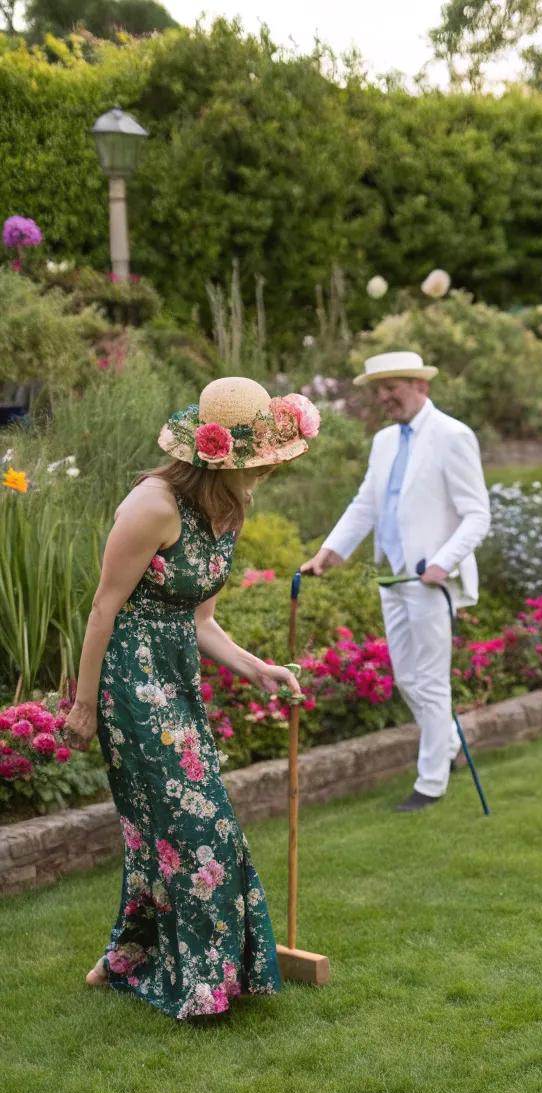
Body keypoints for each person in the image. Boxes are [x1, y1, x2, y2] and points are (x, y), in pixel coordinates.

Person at [63, 376, 320, 1018]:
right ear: (216, 460)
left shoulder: (230, 509)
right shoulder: (152, 506)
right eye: (257, 462)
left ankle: (126, 955)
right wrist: (84, 704)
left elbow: (202, 622)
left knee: (159, 829)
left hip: (177, 673)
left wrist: (259, 669)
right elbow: (102, 608)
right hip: (130, 676)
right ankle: (201, 981)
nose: (265, 473)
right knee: (196, 821)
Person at [301, 350, 491, 811]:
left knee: (429, 677)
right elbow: (366, 503)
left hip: (430, 580)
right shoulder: (384, 441)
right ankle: (445, 744)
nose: (385, 397)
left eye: (393, 387)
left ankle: (431, 781)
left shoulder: (453, 435)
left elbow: (477, 514)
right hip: (392, 577)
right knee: (407, 678)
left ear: (421, 386)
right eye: (379, 389)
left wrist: (444, 562)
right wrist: (331, 551)